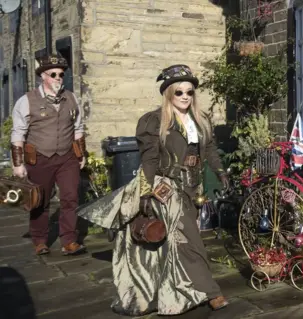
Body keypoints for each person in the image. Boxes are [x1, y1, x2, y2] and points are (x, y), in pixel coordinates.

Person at [77, 64, 230, 316]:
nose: (184, 97)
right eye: (179, 92)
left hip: (194, 187)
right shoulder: (154, 121)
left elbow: (210, 150)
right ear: (168, 93)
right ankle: (213, 292)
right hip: (168, 187)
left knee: (181, 243)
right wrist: (146, 193)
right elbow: (149, 161)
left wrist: (221, 172)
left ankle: (178, 290)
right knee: (191, 240)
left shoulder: (200, 120)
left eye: (189, 92)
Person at [10, 54, 87, 256]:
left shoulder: (71, 98)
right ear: (42, 76)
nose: (58, 77)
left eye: (61, 74)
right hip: (40, 157)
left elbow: (78, 128)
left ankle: (69, 240)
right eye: (53, 74)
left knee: (70, 198)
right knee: (39, 200)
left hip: (67, 157)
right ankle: (40, 240)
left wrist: (81, 155)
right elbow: (18, 133)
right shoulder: (26, 101)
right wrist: (18, 164)